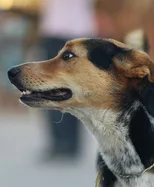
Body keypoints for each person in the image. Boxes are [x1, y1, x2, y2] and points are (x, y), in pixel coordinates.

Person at [37, 0, 97, 162]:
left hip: (75, 31)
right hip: (58, 30)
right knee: (50, 89)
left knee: (74, 90)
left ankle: (70, 143)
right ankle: (59, 142)